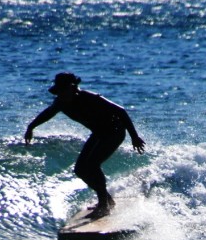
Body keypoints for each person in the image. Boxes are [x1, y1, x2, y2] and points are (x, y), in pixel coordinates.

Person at [25, 72, 146, 218]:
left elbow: (120, 111)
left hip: (114, 131)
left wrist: (134, 137)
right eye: (59, 91)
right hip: (98, 133)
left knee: (93, 164)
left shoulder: (90, 98)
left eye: (63, 90)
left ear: (73, 87)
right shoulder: (61, 102)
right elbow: (48, 113)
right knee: (80, 170)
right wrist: (31, 127)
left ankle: (103, 205)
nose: (61, 94)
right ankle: (107, 199)